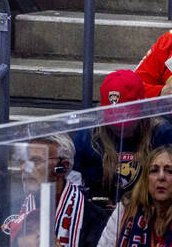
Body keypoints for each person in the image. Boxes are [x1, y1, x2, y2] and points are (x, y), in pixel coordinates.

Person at [73, 69, 172, 207]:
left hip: (149, 215)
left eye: (127, 118)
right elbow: (72, 188)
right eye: (112, 118)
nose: (120, 127)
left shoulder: (162, 134)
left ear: (142, 108)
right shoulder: (87, 138)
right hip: (99, 219)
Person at [93, 145, 172, 247]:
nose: (161, 177)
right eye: (153, 171)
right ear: (145, 179)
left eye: (169, 171)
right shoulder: (125, 210)